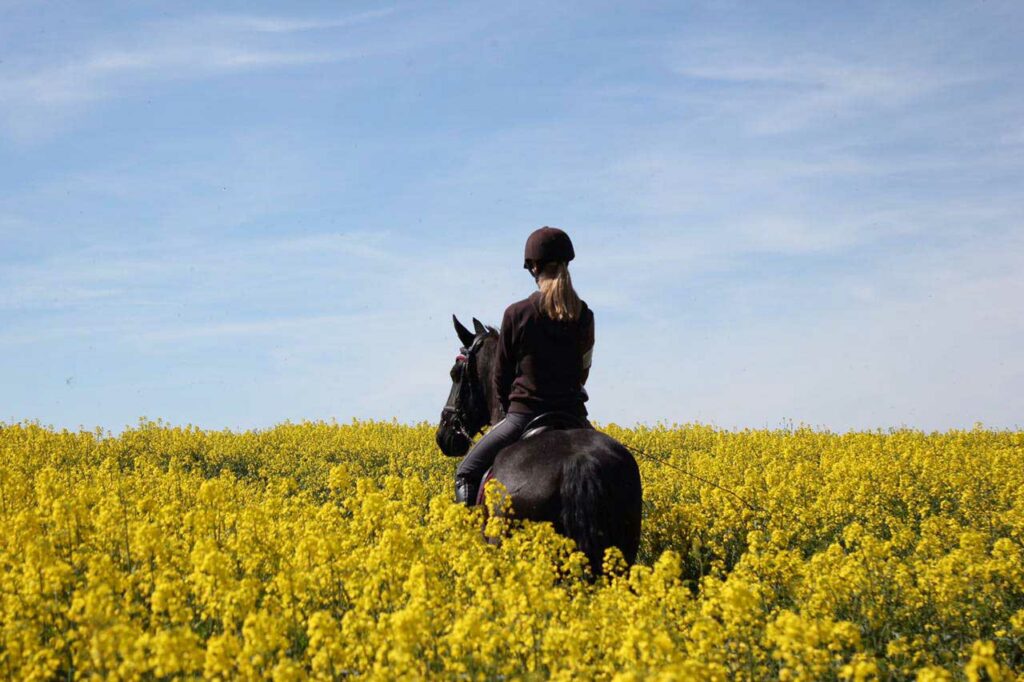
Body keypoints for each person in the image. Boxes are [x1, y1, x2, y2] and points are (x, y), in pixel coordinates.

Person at [455, 226, 595, 506]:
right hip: (574, 417)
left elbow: (501, 376)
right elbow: (583, 371)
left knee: (466, 473)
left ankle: (468, 544)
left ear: (532, 267)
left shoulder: (517, 314)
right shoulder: (584, 315)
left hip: (523, 416)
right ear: (566, 263)